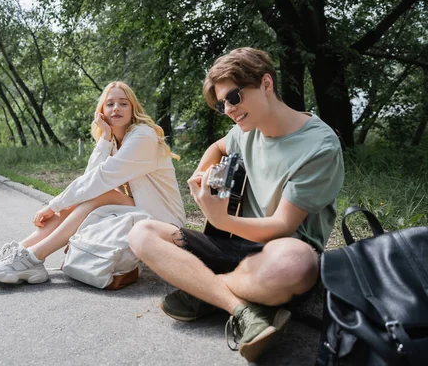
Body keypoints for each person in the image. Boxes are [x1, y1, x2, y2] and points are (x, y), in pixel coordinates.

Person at [127, 48, 345, 362]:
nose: (228, 109)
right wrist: (203, 174)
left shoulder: (320, 145)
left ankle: (200, 290)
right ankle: (243, 308)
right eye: (221, 104)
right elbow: (217, 146)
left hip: (277, 250)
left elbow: (282, 226)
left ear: (266, 84)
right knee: (141, 233)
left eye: (233, 97)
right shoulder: (246, 130)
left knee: (295, 262)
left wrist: (222, 218)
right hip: (227, 244)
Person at [0, 81, 186, 284]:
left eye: (123, 103)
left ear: (133, 109)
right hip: (140, 211)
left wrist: (54, 204)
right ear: (101, 110)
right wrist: (105, 137)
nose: (116, 109)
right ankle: (19, 252)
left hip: (164, 220)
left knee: (100, 194)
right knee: (88, 197)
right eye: (110, 104)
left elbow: (99, 179)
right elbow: (90, 178)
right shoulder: (115, 141)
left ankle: (33, 258)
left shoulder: (143, 137)